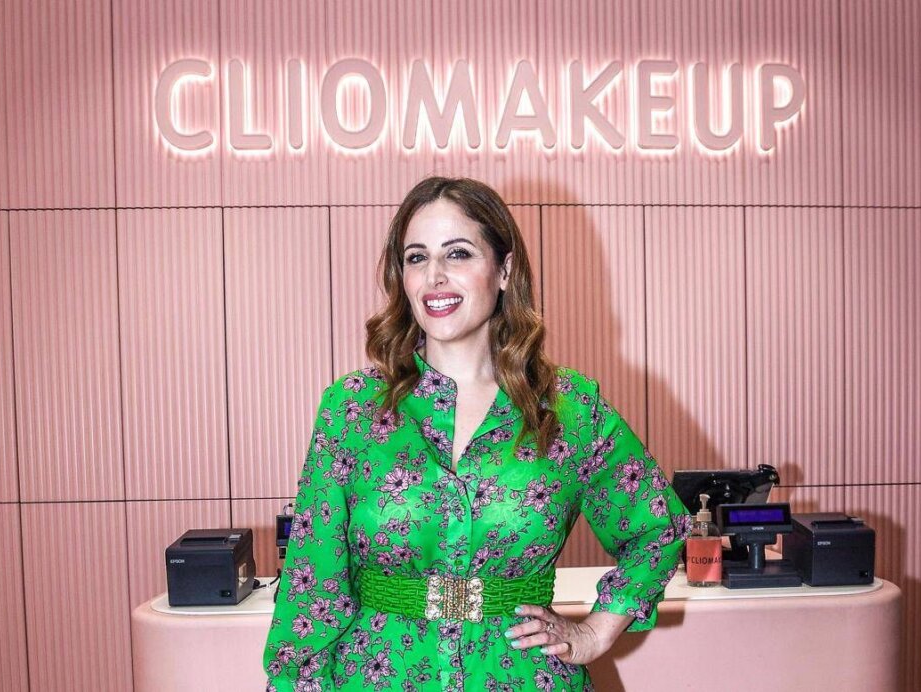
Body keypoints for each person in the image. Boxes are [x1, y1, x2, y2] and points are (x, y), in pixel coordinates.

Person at [263, 176, 690, 691]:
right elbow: (311, 586)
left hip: (522, 676)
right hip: (378, 677)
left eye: (458, 253)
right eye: (416, 258)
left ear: (504, 270)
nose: (435, 276)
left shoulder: (569, 408)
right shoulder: (353, 408)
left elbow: (657, 527)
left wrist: (596, 632)